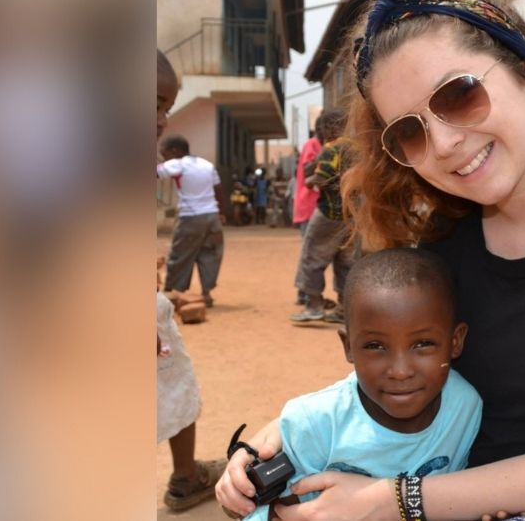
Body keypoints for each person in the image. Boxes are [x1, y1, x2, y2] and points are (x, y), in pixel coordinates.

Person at [217, 0, 525, 520]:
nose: (442, 143)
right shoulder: (445, 242)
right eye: (409, 131)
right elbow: (398, 368)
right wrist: (282, 436)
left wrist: (392, 501)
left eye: (459, 94)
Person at [242, 247, 481, 521]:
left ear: (455, 341)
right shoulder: (314, 424)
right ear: (348, 347)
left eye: (423, 344)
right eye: (375, 346)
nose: (400, 371)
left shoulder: (464, 406)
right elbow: (263, 510)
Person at [156, 49, 225, 512]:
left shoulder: (172, 165)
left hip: (189, 219)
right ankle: (184, 477)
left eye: (165, 106)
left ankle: (185, 476)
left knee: (171, 374)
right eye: (155, 103)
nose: (161, 117)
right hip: (212, 216)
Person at [289, 109, 356, 324]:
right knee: (345, 262)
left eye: (323, 128)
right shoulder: (357, 149)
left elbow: (321, 179)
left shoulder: (331, 148)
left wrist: (309, 180)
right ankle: (344, 309)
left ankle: (314, 305)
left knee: (312, 257)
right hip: (352, 215)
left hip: (328, 212)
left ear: (329, 127)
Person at [158, 134, 226, 307]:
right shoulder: (207, 165)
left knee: (180, 254)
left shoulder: (178, 164)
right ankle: (207, 293)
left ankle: (171, 293)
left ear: (175, 151)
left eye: (164, 154)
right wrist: (222, 213)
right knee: (209, 254)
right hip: (212, 216)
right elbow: (218, 189)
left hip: (190, 217)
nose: (164, 159)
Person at [291, 128, 323, 305]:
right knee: (309, 252)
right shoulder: (312, 145)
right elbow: (308, 171)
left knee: (313, 252)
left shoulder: (320, 145)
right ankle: (304, 292)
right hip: (310, 205)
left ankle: (307, 292)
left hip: (316, 205)